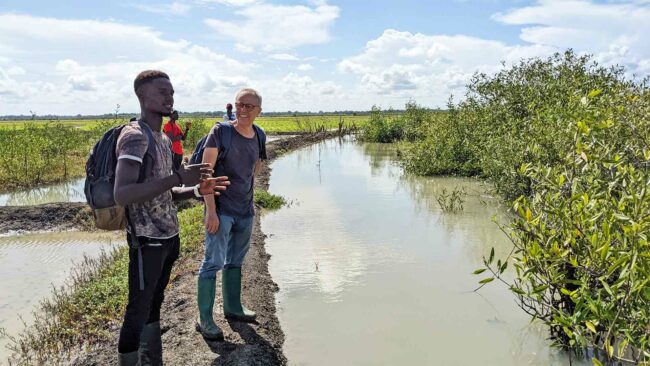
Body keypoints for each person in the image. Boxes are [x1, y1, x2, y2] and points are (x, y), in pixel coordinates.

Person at [114, 70, 230, 366]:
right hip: (146, 240)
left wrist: (194, 189)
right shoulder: (134, 136)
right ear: (142, 96)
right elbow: (123, 194)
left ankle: (153, 361)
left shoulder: (163, 139)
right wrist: (178, 176)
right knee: (138, 309)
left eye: (172, 92)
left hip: (169, 237)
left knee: (155, 304)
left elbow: (165, 191)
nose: (170, 97)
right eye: (162, 92)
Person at [196, 88, 267, 341]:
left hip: (245, 211)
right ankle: (204, 318)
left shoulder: (259, 135)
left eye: (250, 106)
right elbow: (205, 173)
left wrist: (248, 198)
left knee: (235, 261)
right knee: (212, 261)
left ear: (259, 110)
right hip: (222, 211)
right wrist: (211, 211)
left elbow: (256, 168)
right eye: (240, 104)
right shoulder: (221, 132)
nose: (244, 110)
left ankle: (233, 308)